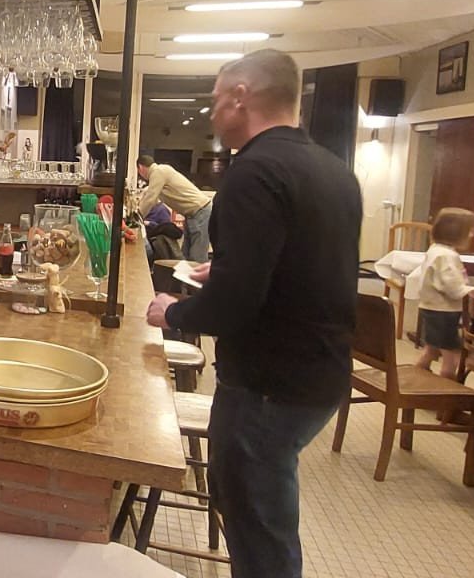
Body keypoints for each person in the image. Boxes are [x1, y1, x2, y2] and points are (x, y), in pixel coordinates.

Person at [145, 49, 361, 578]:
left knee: (259, 532)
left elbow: (234, 307)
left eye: (217, 99)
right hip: (321, 372)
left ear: (241, 97)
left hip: (267, 383)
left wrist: (174, 312)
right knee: (268, 521)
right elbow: (302, 267)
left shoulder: (253, 172)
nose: (214, 112)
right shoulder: (334, 169)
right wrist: (224, 272)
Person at [411, 208, 474, 377]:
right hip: (443, 312)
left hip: (431, 308)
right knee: (450, 355)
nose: (472, 235)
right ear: (456, 233)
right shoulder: (447, 256)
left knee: (431, 349)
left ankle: (417, 376)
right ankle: (446, 384)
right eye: (470, 231)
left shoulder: (435, 250)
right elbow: (454, 289)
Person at [136, 155, 214, 261]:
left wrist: (137, 218)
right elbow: (150, 196)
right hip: (194, 213)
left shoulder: (158, 171)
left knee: (197, 257)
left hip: (201, 211)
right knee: (186, 256)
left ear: (140, 168)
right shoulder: (161, 173)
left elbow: (150, 198)